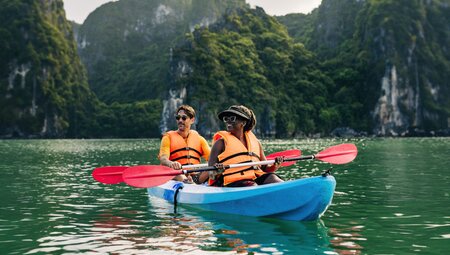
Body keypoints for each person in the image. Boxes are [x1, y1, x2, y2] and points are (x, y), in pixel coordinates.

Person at [208, 105, 284, 187]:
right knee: (252, 185)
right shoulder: (220, 143)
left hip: (255, 176)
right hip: (233, 180)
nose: (228, 122)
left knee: (273, 179)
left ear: (243, 123)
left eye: (232, 119)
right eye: (226, 119)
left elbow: (265, 168)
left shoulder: (256, 143)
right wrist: (218, 171)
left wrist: (275, 165)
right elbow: (211, 175)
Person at [159, 105, 210, 184]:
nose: (180, 120)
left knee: (212, 170)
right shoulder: (167, 137)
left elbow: (211, 158)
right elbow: (163, 159)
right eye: (178, 118)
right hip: (176, 174)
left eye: (184, 118)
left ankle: (192, 182)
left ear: (192, 120)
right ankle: (187, 182)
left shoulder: (200, 140)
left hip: (196, 176)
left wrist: (216, 165)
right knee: (177, 173)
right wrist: (171, 163)